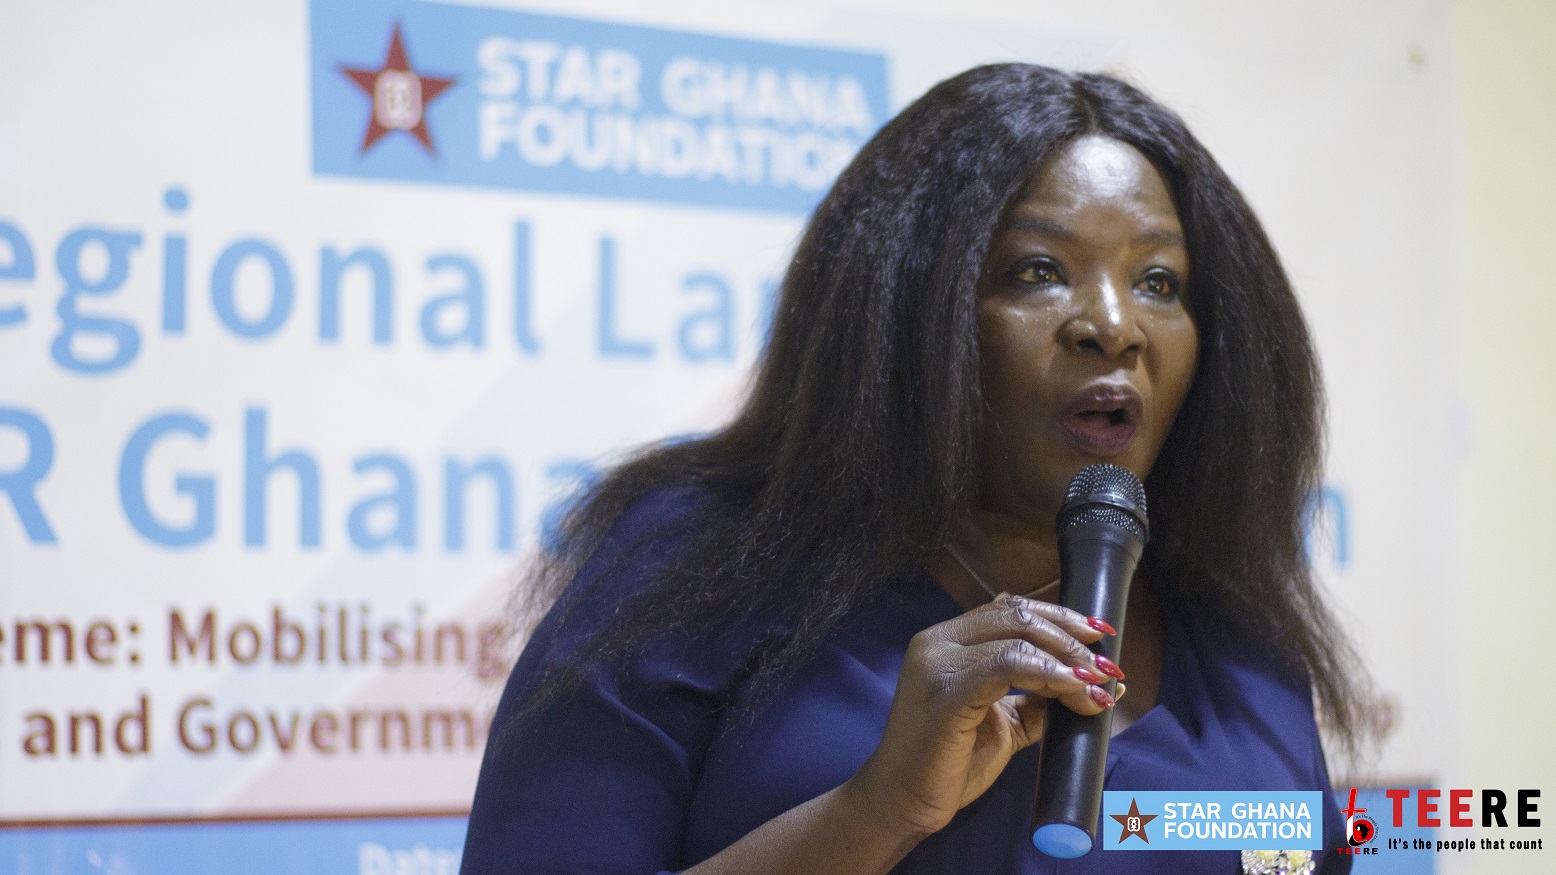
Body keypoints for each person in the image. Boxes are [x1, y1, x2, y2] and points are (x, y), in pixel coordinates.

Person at [460, 64, 1372, 874]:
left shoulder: (1237, 637)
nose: (1114, 324)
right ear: (907, 305)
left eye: (1158, 282)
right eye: (1039, 270)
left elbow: (1301, 854)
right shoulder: (687, 571)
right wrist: (876, 812)